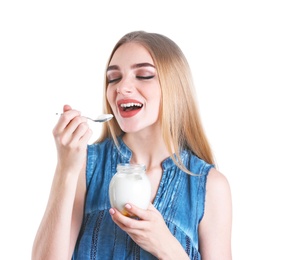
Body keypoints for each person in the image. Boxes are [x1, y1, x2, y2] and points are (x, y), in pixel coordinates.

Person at [32, 31, 232, 260]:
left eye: (144, 75)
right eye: (114, 78)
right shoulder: (85, 166)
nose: (121, 87)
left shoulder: (210, 186)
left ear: (175, 86)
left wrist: (168, 248)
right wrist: (65, 169)